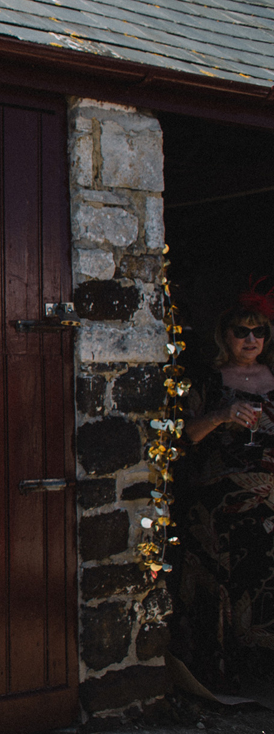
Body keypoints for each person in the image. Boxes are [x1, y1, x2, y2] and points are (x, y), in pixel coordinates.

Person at [172, 280, 274, 692]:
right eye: (242, 331)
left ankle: (263, 677)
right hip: (216, 504)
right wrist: (221, 414)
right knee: (220, 584)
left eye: (259, 331)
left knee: (263, 581)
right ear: (225, 335)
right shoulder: (209, 380)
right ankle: (220, 676)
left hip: (268, 500)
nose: (251, 340)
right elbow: (184, 436)